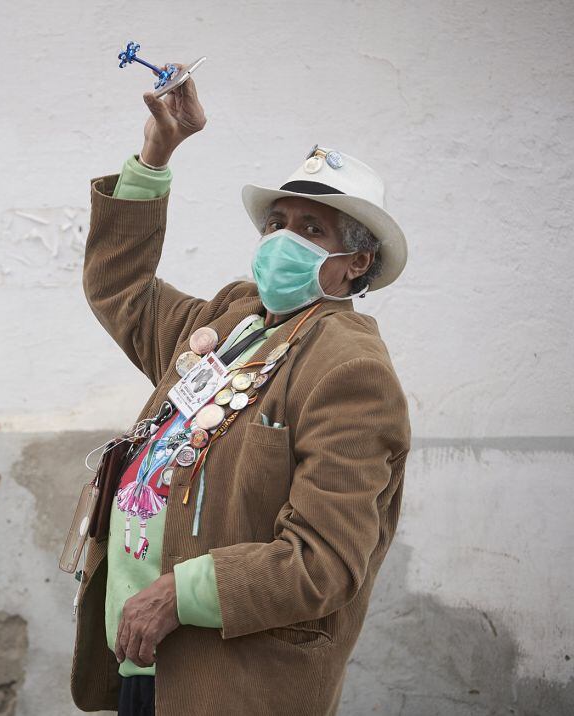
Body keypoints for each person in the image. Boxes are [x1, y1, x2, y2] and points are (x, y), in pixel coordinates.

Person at [70, 67, 412, 716]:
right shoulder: (237, 317)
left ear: (358, 260)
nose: (282, 238)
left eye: (311, 229)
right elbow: (122, 290)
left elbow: (323, 562)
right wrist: (155, 156)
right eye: (277, 221)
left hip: (228, 684)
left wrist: (178, 594)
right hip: (144, 663)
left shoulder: (350, 371)